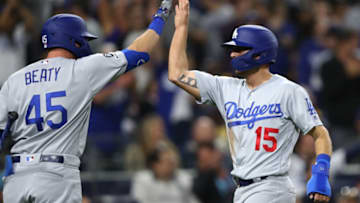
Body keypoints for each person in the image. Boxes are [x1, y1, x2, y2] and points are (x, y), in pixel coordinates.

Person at [0, 0, 173, 202]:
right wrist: (162, 13)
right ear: (74, 41)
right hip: (56, 177)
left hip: (17, 177)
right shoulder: (82, 69)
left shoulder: (16, 79)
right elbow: (138, 52)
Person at [168, 0, 333, 202]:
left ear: (259, 53)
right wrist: (181, 27)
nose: (232, 54)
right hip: (242, 190)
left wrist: (321, 174)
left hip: (272, 187)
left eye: (239, 49)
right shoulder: (225, 88)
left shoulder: (288, 91)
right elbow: (177, 74)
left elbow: (320, 133)